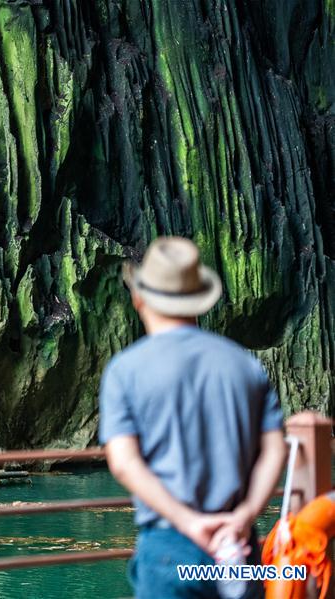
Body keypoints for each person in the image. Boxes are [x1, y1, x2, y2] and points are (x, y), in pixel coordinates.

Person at [99, 236, 286, 598]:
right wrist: (244, 516)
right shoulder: (245, 365)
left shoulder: (125, 370)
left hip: (171, 546)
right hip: (239, 549)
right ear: (198, 302)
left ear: (139, 298)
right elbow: (275, 450)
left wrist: (190, 523)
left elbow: (124, 463)